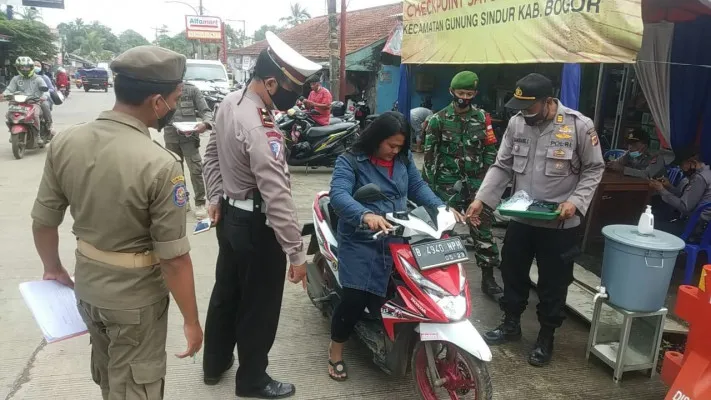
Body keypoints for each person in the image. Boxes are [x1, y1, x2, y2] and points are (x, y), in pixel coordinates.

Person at [30, 45, 203, 399]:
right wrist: (191, 320)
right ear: (157, 102)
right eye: (174, 98)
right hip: (134, 301)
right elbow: (173, 258)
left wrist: (53, 268)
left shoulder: (67, 141)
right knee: (136, 387)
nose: (173, 105)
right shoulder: (161, 164)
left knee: (111, 377)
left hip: (89, 288)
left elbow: (43, 220)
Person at [201, 31, 320, 399]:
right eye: (291, 90)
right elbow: (277, 196)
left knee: (226, 292)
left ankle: (215, 364)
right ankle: (252, 380)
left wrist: (216, 198)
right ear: (270, 82)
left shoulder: (229, 103)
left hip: (232, 222)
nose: (294, 99)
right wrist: (296, 253)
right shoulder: (259, 125)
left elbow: (210, 156)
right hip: (257, 226)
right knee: (260, 307)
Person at [467, 73, 605, 367]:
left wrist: (576, 202)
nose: (523, 113)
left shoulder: (579, 125)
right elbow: (502, 165)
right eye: (520, 107)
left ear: (547, 101)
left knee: (554, 283)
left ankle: (546, 336)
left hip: (559, 224)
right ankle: (511, 323)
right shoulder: (517, 123)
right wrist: (482, 199)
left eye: (529, 107)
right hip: (522, 217)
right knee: (512, 271)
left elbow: (594, 169)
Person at [326, 111, 463, 381]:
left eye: (400, 146)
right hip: (362, 237)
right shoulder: (351, 161)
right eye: (391, 145)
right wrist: (365, 215)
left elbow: (417, 186)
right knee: (355, 298)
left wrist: (441, 207)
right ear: (376, 139)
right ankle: (335, 351)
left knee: (415, 289)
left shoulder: (403, 158)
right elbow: (339, 195)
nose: (395, 150)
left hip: (400, 235)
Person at [423, 71, 503, 301]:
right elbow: (429, 157)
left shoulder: (482, 119)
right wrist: (429, 190)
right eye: (461, 93)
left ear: (475, 94)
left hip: (477, 187)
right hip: (447, 186)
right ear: (452, 92)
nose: (464, 97)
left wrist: (488, 183)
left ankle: (488, 279)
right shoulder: (438, 119)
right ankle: (439, 279)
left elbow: (490, 151)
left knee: (483, 230)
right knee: (443, 232)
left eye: (469, 93)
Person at [162, 81, 213, 219]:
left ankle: (200, 203)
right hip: (171, 136)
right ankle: (182, 200)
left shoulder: (192, 90)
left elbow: (206, 111)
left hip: (189, 137)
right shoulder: (163, 88)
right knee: (175, 171)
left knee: (195, 170)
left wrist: (205, 124)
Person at [650, 147, 711, 239]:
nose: (680, 168)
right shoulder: (705, 173)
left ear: (692, 162)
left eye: (682, 164)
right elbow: (686, 197)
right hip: (697, 224)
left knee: (652, 225)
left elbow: (684, 206)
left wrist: (661, 190)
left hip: (694, 228)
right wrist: (669, 187)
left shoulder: (700, 178)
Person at [1, 57, 52, 145]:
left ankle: (39, 134)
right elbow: (9, 89)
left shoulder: (38, 79)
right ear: (18, 68)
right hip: (19, 102)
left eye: (27, 67)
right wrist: (4, 95)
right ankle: (12, 130)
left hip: (35, 102)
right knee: (9, 114)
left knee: (36, 114)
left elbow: (46, 91)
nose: (24, 69)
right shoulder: (16, 79)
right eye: (22, 67)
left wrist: (44, 96)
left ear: (31, 67)